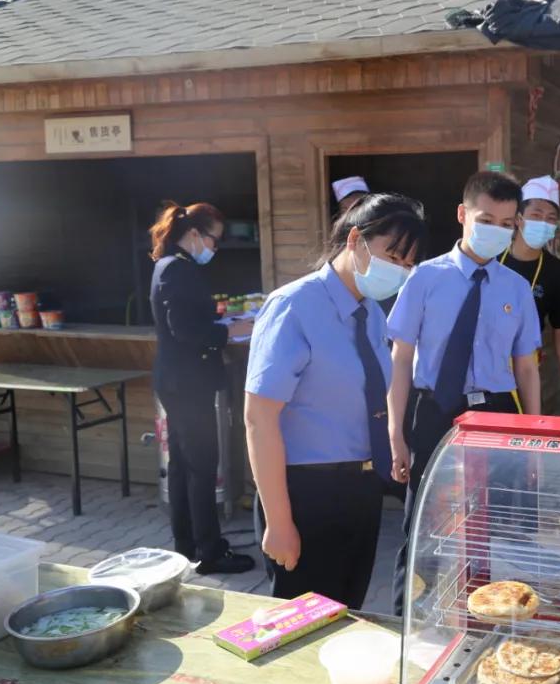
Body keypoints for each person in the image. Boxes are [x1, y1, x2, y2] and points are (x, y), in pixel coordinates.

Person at [244, 194, 430, 607]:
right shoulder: (293, 306)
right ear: (354, 241)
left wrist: (394, 441)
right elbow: (258, 419)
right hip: (306, 492)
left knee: (347, 612)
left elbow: (372, 392)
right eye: (392, 255)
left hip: (360, 490)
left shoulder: (373, 312)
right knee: (301, 626)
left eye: (407, 263)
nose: (398, 270)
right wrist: (278, 521)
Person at [387, 171, 543, 614]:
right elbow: (401, 359)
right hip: (435, 408)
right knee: (426, 523)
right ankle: (410, 617)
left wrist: (533, 437)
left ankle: (491, 614)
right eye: (486, 218)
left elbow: (527, 367)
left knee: (495, 522)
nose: (497, 230)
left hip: (495, 413)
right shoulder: (423, 279)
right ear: (462, 215)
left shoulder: (517, 289)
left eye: (508, 222)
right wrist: (397, 433)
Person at [149, 201, 255, 575]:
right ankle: (209, 553)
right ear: (194, 234)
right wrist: (231, 331)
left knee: (183, 467)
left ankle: (187, 546)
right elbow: (187, 330)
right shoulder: (177, 270)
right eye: (214, 240)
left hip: (177, 381)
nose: (215, 248)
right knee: (201, 467)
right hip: (187, 382)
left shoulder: (172, 266)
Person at [499, 175, 560, 416]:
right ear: (518, 219)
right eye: (536, 215)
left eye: (551, 219)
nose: (543, 223)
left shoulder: (556, 272)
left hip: (526, 369)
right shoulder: (492, 258)